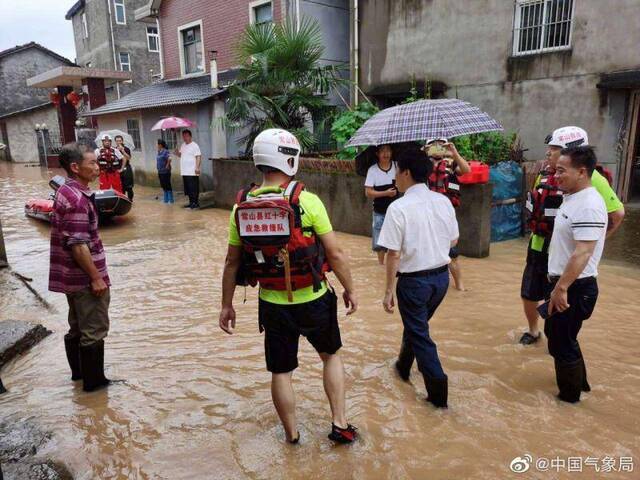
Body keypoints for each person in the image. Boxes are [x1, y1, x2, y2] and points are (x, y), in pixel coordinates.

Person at [219, 128, 359, 444]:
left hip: (272, 304)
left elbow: (231, 262)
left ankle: (292, 436)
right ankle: (339, 424)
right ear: (290, 159)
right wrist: (351, 289)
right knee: (331, 356)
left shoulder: (240, 208)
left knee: (281, 372)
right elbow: (335, 253)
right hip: (314, 299)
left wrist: (226, 305)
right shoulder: (307, 202)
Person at [519, 126, 625, 345]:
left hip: (568, 251)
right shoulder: (546, 173)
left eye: (555, 149)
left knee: (560, 302)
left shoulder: (592, 179)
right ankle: (534, 331)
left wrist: (591, 246)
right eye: (549, 149)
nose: (549, 153)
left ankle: (560, 343)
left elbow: (617, 214)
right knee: (529, 292)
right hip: (539, 244)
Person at [379, 144, 459, 408]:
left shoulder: (398, 208)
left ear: (407, 173)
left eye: (397, 171)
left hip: (414, 283)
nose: (394, 176)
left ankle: (438, 397)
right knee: (417, 326)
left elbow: (393, 254)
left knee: (420, 334)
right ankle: (402, 367)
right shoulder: (443, 200)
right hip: (441, 281)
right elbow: (454, 239)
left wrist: (389, 291)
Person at [49, 143, 114, 392]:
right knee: (94, 331)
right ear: (75, 167)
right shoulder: (77, 199)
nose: (97, 168)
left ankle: (79, 377)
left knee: (77, 326)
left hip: (71, 279)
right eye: (92, 164)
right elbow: (78, 245)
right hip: (85, 279)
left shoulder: (65, 191)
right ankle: (95, 387)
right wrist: (96, 278)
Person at [545, 146, 607, 403]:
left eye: (561, 170)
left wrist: (562, 288)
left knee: (561, 341)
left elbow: (583, 252)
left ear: (582, 172)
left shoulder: (589, 204)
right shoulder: (573, 197)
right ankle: (580, 385)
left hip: (575, 287)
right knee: (560, 335)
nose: (555, 175)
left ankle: (569, 400)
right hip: (567, 283)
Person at [426, 138, 471, 291]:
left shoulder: (451, 162)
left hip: (446, 214)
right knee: (427, 249)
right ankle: (433, 283)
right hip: (427, 213)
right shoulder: (423, 163)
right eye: (434, 145)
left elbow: (466, 170)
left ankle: (460, 286)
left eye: (441, 145)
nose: (437, 148)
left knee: (452, 252)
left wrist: (455, 153)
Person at [364, 144, 399, 265]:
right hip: (379, 210)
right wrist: (385, 193)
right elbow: (368, 192)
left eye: (388, 151)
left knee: (397, 239)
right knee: (380, 242)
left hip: (396, 211)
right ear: (377, 154)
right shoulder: (372, 170)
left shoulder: (397, 166)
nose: (386, 154)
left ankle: (393, 264)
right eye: (383, 151)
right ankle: (381, 265)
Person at [175, 129, 202, 209]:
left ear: (190, 136)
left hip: (192, 171)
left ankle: (195, 203)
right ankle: (191, 202)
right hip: (184, 171)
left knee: (193, 188)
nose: (184, 138)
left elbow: (198, 156)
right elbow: (181, 155)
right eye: (183, 136)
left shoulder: (195, 145)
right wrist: (177, 153)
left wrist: (197, 167)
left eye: (186, 136)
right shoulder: (183, 145)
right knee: (188, 188)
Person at [115, 135, 134, 201]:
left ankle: (130, 201)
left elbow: (129, 158)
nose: (118, 142)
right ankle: (123, 200)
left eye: (120, 140)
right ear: (115, 142)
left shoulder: (126, 149)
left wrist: (123, 151)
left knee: (129, 187)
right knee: (121, 187)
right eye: (117, 141)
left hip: (127, 168)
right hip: (118, 169)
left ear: (122, 141)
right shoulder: (114, 150)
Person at [156, 139, 173, 204]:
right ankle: (166, 200)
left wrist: (167, 165)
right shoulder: (159, 151)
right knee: (163, 185)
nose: (156, 145)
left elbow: (170, 158)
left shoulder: (165, 151)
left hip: (166, 171)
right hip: (160, 171)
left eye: (157, 144)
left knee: (167, 184)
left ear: (160, 145)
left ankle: (171, 200)